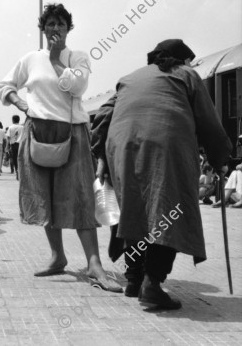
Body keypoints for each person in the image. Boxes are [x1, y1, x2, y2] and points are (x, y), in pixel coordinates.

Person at [92, 39, 232, 309]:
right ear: (181, 59)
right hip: (165, 147)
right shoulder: (186, 74)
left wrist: (101, 155)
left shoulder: (129, 78)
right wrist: (220, 159)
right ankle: (152, 284)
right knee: (168, 211)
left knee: (133, 210)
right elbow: (208, 120)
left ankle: (133, 279)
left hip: (121, 147)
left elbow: (103, 116)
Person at [0, 3, 120, 292]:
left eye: (60, 24)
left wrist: (55, 59)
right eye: (50, 24)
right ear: (43, 28)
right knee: (44, 195)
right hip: (38, 131)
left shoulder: (77, 57)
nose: (55, 28)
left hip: (72, 133)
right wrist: (22, 104)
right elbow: (5, 86)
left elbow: (77, 88)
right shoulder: (29, 59)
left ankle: (94, 265)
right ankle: (57, 257)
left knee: (80, 197)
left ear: (69, 28)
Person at [6, 115, 23, 180]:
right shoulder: (22, 127)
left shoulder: (10, 127)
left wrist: (7, 146)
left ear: (12, 120)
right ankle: (20, 170)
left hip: (13, 145)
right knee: (21, 158)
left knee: (14, 158)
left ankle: (17, 170)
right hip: (21, 144)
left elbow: (8, 138)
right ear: (19, 120)